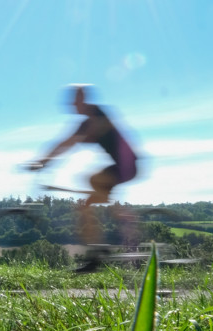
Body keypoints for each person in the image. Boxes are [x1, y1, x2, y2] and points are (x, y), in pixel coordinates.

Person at [26, 84, 140, 273]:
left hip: (127, 166)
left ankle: (113, 233)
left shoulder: (96, 116)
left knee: (92, 180)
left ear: (83, 99)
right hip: (120, 167)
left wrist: (43, 162)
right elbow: (66, 142)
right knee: (85, 204)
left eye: (74, 100)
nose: (72, 105)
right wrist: (43, 161)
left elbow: (68, 143)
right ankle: (98, 251)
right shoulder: (89, 120)